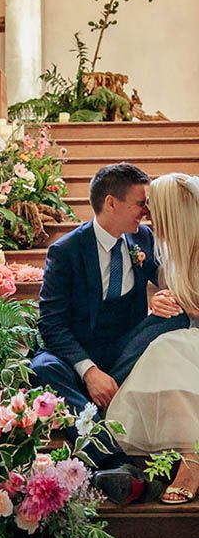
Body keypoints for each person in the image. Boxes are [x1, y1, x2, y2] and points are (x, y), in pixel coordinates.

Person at [30, 162, 189, 502]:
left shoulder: (142, 238)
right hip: (79, 354)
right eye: (140, 203)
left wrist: (164, 296)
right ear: (111, 203)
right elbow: (51, 324)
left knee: (175, 319)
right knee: (41, 368)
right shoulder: (67, 251)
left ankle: (91, 409)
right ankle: (115, 462)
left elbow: (170, 281)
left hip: (124, 351)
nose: (146, 212)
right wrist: (89, 372)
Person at [109, 174, 199, 504]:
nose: (147, 217)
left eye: (153, 209)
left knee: (169, 350)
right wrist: (157, 300)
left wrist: (189, 303)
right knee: (166, 350)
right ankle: (189, 456)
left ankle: (191, 462)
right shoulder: (166, 254)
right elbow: (160, 301)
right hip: (188, 337)